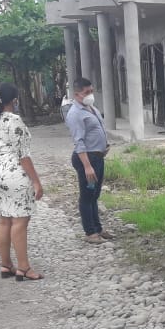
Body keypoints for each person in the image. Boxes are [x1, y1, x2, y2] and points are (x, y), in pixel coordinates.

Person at [0, 83, 44, 281]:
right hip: (14, 175)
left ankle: (6, 265)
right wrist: (36, 182)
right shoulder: (15, 121)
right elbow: (23, 156)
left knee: (3, 219)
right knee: (20, 221)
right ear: (15, 100)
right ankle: (24, 267)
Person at [64, 77, 112, 244]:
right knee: (87, 196)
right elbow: (79, 142)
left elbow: (97, 129)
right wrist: (87, 166)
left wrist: (104, 145)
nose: (90, 94)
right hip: (87, 159)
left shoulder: (91, 108)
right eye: (86, 92)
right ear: (77, 94)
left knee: (94, 195)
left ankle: (98, 228)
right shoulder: (75, 114)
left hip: (97, 157)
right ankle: (90, 232)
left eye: (91, 91)